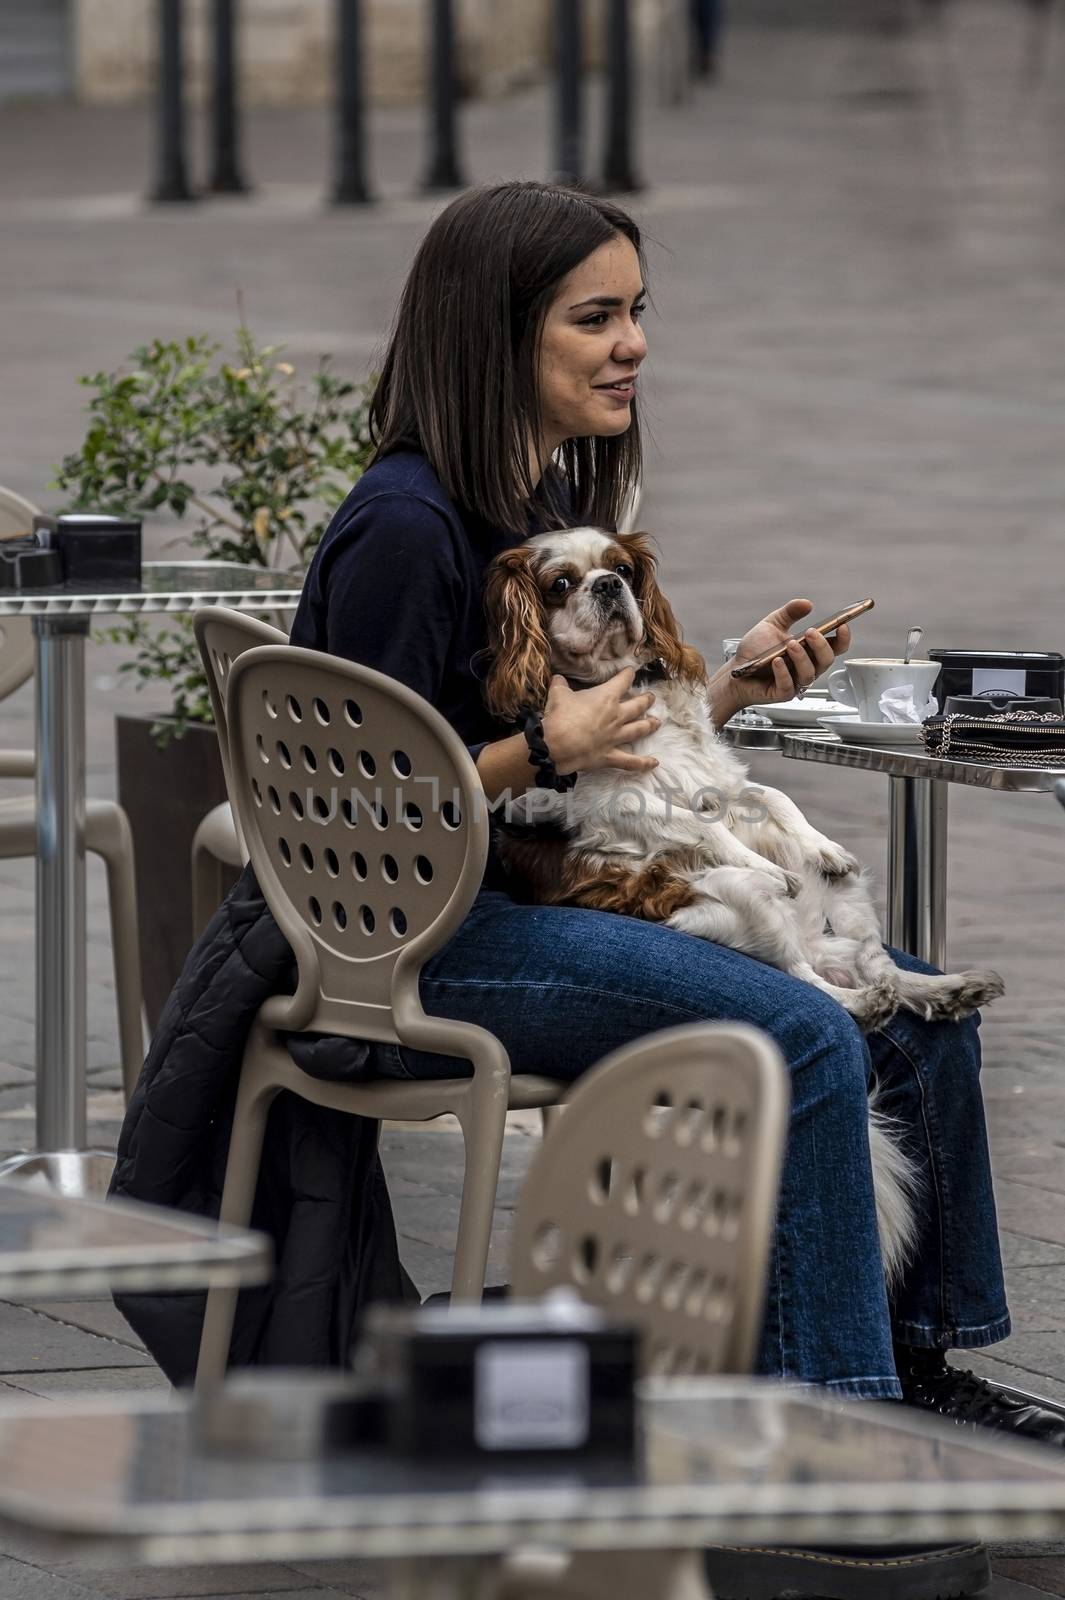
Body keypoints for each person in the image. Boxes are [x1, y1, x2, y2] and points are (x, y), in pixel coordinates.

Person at [289, 181, 1061, 1600]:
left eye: (638, 311)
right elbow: (355, 809)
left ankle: (921, 1361)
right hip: (443, 940)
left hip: (558, 887)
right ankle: (823, 1445)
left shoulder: (533, 496)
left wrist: (719, 689)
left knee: (910, 1003)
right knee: (805, 1031)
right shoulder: (405, 526)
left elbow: (594, 761)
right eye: (595, 317)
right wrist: (540, 742)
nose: (632, 343)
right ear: (494, 336)